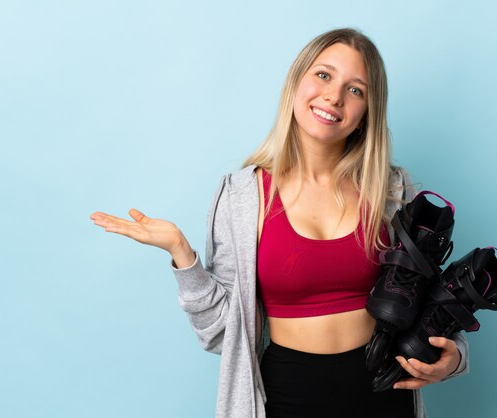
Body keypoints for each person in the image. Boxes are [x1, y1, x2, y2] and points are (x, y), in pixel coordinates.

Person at [90, 28, 469, 418]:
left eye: (356, 90)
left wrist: (453, 358)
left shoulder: (391, 189)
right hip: (288, 394)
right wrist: (182, 255)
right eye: (323, 75)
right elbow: (223, 333)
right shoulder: (241, 196)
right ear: (296, 83)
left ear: (366, 114)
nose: (334, 97)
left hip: (384, 393)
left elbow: (429, 304)